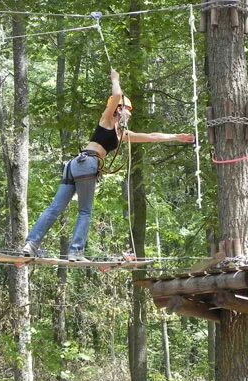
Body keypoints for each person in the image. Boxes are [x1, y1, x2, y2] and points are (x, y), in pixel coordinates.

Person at [22, 69, 194, 262]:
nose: (129, 113)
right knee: (84, 211)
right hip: (87, 164)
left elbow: (152, 137)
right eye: (127, 110)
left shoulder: (121, 135)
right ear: (118, 109)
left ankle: (31, 244)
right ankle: (75, 251)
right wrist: (115, 79)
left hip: (74, 165)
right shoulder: (106, 120)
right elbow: (117, 95)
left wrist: (175, 137)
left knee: (54, 208)